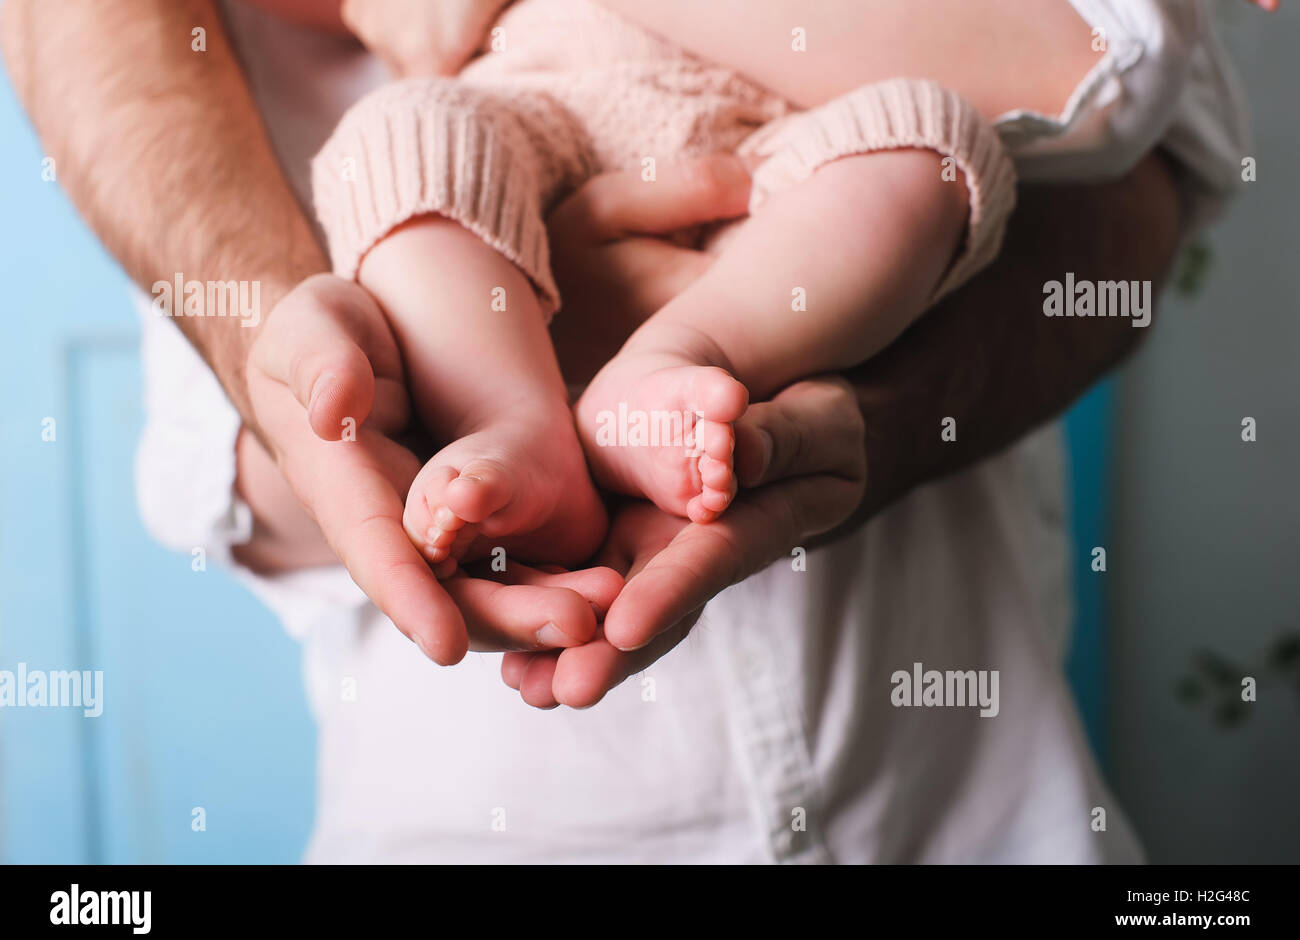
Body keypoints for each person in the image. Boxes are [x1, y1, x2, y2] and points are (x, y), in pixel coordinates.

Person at [0, 0, 1248, 861]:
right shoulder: (194, 97)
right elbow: (223, 486)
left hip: (958, 806)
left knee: (926, 149)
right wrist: (417, 390)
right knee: (398, 147)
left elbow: (1111, 80)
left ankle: (689, 356)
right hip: (500, 821)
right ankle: (519, 424)